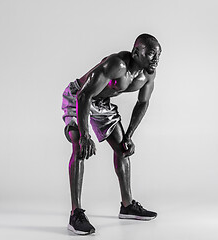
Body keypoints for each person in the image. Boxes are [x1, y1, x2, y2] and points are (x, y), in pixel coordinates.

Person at [61, 33, 161, 235]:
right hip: (78, 97)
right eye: (151, 54)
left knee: (122, 149)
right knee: (80, 148)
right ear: (136, 52)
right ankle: (75, 214)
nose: (156, 60)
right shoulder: (117, 64)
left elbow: (143, 102)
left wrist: (129, 135)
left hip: (101, 103)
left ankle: (127, 205)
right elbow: (84, 95)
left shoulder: (148, 74)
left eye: (158, 55)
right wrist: (85, 135)